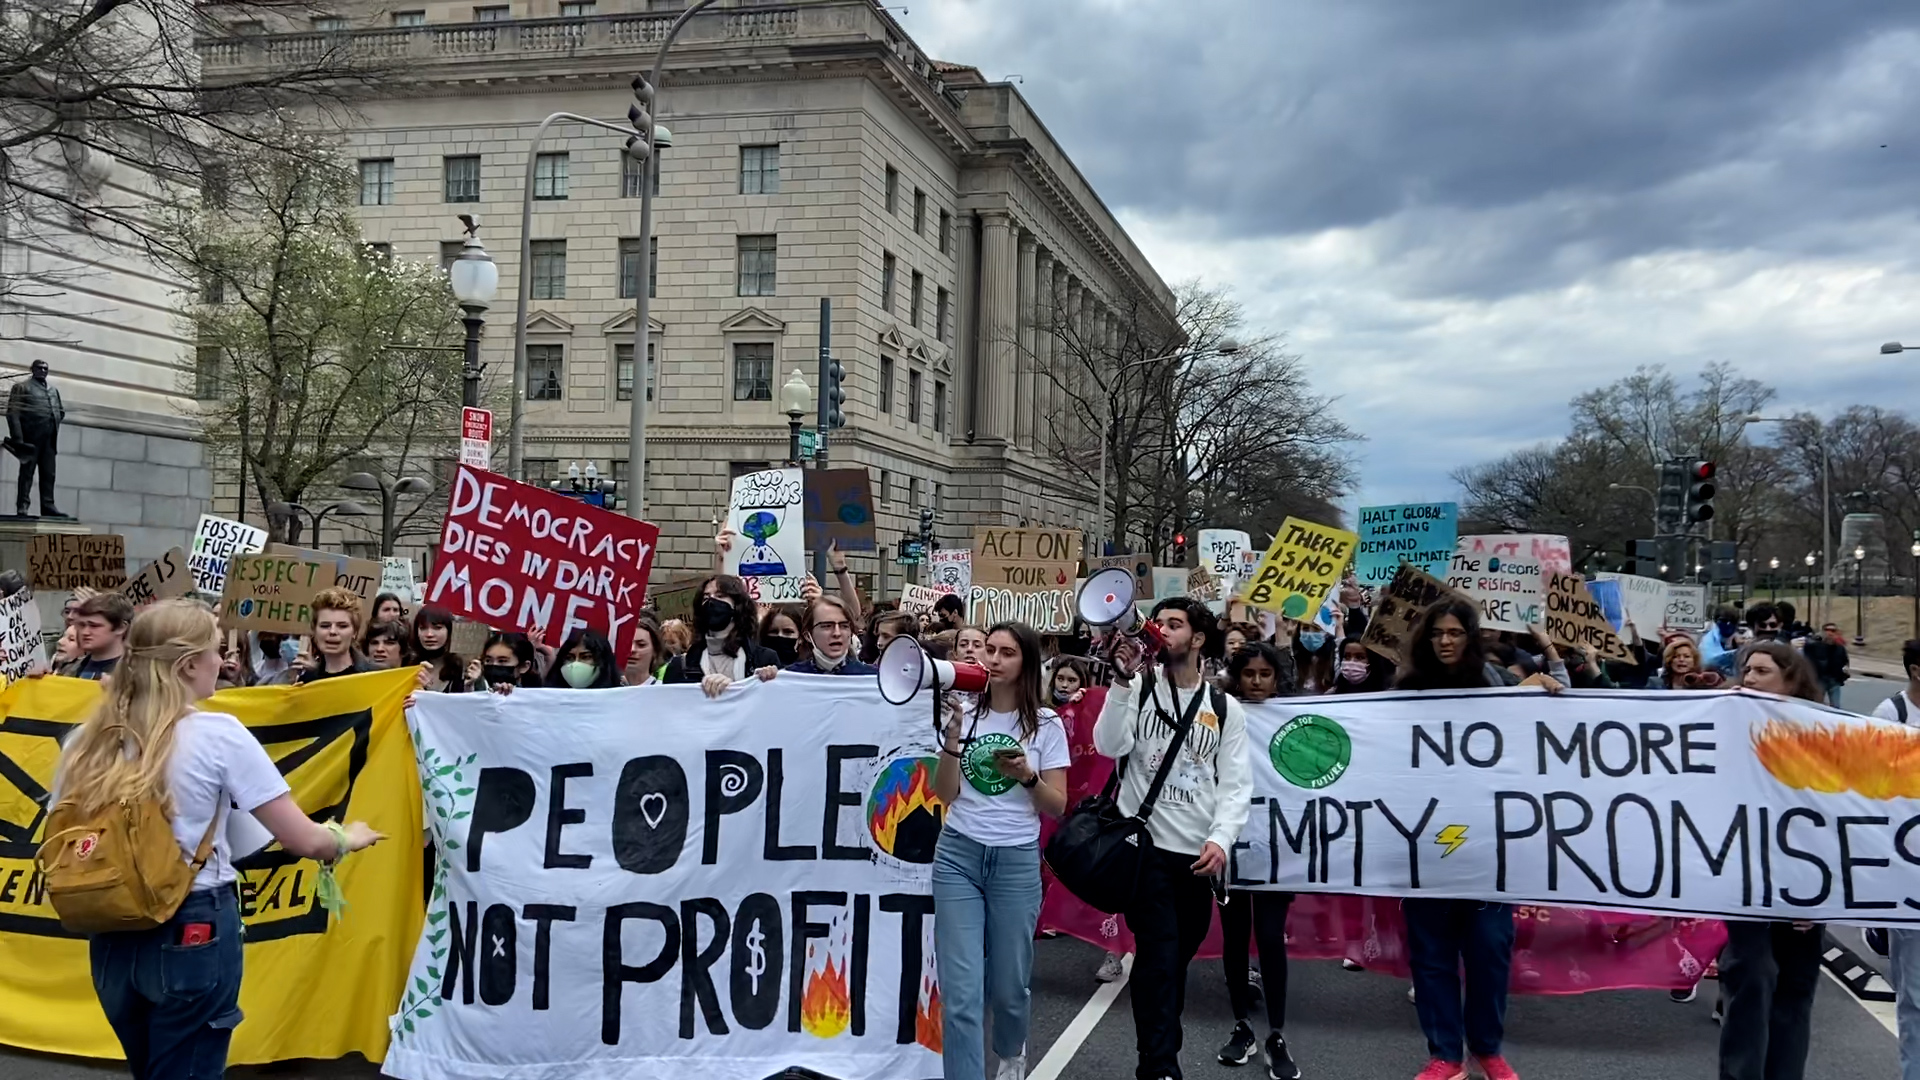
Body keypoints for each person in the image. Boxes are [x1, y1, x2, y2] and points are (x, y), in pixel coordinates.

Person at [51, 599, 384, 1078]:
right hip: (192, 922)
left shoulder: (84, 739)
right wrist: (349, 835)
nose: (221, 661)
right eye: (213, 650)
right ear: (188, 665)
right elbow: (306, 842)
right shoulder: (218, 734)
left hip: (109, 928)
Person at [1393, 598, 1556, 1080]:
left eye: (1455, 633)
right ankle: (1445, 1054)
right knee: (1432, 959)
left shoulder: (1501, 685)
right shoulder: (1404, 691)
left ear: (1470, 637)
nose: (1445, 641)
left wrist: (1548, 681)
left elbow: (1557, 716)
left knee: (1489, 953)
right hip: (1428, 845)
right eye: (1438, 633)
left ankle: (1487, 1048)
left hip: (1488, 850)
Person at [1097, 596, 1253, 1080]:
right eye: (1159, 622)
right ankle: (1160, 1065)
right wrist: (1122, 683)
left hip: (1196, 860)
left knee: (1174, 960)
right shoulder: (1140, 688)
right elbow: (1109, 746)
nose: (1162, 630)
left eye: (1175, 624)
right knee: (1159, 959)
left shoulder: (1225, 709)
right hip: (1146, 854)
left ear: (1199, 639)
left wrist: (1221, 839)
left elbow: (1235, 784)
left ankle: (1161, 1045)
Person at [933, 622, 1069, 1080]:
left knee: (1010, 988)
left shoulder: (1046, 724)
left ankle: (1012, 1050)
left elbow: (1057, 806)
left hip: (1014, 862)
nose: (992, 660)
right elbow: (944, 795)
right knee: (961, 993)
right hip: (958, 858)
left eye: (1006, 652)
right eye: (988, 650)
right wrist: (952, 738)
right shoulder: (966, 712)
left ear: (1026, 662)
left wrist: (1027, 776)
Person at [1719, 640, 1827, 1080]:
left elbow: (1837, 818)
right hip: (1746, 880)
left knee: (1794, 993)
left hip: (1804, 882)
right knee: (1753, 977)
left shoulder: (1824, 735)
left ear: (1791, 679)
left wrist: (1817, 896)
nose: (1749, 678)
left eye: (1762, 671)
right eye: (1746, 670)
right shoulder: (1724, 726)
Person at [1213, 640, 1301, 1079]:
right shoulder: (1221, 713)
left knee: (1269, 938)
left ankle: (1277, 1034)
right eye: (1249, 674)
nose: (1257, 681)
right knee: (1234, 938)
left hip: (1275, 847)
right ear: (1237, 675)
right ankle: (1242, 1026)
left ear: (1276, 677)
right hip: (1229, 845)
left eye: (1265, 674)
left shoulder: (1293, 718)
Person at [662, 574, 781, 696]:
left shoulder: (764, 659)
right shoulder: (680, 666)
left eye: (720, 596)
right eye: (706, 597)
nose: (711, 601)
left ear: (737, 605)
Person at [293, 588, 377, 684]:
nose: (333, 631)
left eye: (342, 626)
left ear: (355, 632)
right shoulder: (306, 682)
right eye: (325, 626)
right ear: (314, 630)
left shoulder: (376, 677)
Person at [785, 596, 877, 675]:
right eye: (827, 626)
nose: (837, 633)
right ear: (808, 636)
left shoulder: (872, 678)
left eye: (844, 626)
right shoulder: (791, 676)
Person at [57, 593, 134, 680]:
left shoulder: (134, 674)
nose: (85, 632)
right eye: (82, 625)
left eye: (94, 626)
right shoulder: (68, 670)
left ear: (121, 627)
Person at [407, 606, 466, 693]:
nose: (429, 634)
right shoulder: (409, 666)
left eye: (437, 628)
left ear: (449, 631)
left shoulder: (461, 668)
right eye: (423, 628)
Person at [543, 629, 622, 689]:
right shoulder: (546, 698)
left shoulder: (621, 698)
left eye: (586, 657)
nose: (575, 664)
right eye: (569, 658)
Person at [465, 632, 541, 693]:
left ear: (524, 666)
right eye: (488, 660)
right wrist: (469, 687)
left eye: (502, 661)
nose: (494, 665)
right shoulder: (475, 687)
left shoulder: (534, 696)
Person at [1800, 622, 1850, 708]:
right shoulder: (1814, 645)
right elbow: (1807, 657)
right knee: (1817, 705)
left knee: (1836, 706)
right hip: (1820, 679)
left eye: (1833, 631)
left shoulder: (1840, 648)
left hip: (1834, 680)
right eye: (1827, 630)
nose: (1830, 633)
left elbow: (1845, 661)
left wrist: (1844, 670)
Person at [1290, 621, 1335, 694]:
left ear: (1327, 633)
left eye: (1316, 629)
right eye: (1305, 628)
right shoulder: (1294, 661)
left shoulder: (1332, 661)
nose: (1310, 634)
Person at [1700, 605, 1743, 676]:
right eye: (1724, 620)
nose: (1728, 624)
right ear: (1715, 621)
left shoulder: (1741, 640)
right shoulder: (1707, 641)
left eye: (1733, 621)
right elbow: (1707, 661)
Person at [624, 618, 666, 686]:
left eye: (641, 645)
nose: (632, 649)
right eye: (627, 644)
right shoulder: (605, 691)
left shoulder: (664, 692)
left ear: (655, 651)